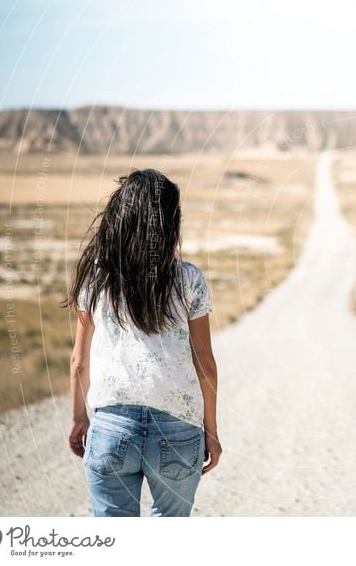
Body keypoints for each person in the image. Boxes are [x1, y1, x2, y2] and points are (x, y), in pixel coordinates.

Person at [63, 168, 223, 517]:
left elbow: (79, 360)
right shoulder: (189, 279)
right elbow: (205, 363)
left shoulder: (96, 279)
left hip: (111, 430)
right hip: (179, 429)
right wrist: (211, 430)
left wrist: (78, 417)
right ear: (170, 223)